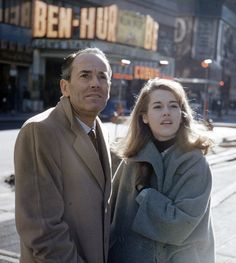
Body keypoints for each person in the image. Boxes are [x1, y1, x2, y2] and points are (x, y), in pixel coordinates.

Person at [14, 47, 112, 263]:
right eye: (85, 75)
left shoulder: (99, 128)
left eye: (102, 76)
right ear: (65, 87)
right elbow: (42, 230)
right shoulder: (40, 131)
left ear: (109, 89)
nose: (95, 83)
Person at [108, 78, 215, 263]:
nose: (166, 112)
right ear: (144, 117)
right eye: (158, 107)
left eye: (173, 106)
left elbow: (179, 225)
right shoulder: (131, 159)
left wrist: (145, 193)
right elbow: (114, 219)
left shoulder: (195, 162)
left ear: (182, 114)